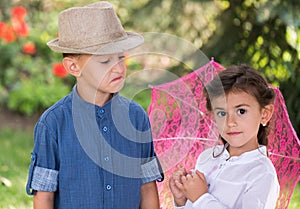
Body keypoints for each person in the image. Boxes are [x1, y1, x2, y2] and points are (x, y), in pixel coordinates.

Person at [26, 2, 163, 209]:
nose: (118, 68)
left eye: (120, 57)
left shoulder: (136, 117)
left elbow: (147, 187)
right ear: (74, 66)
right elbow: (44, 197)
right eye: (105, 61)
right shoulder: (53, 124)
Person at [169, 64, 280, 209]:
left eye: (241, 111)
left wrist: (201, 198)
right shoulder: (207, 157)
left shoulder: (262, 174)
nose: (230, 122)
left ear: (264, 114)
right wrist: (182, 201)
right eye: (221, 113)